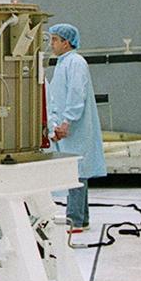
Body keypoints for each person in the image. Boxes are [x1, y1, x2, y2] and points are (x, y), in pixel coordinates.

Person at [46, 23, 105, 231]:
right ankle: (81, 217)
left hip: (74, 126)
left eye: (54, 40)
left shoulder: (75, 63)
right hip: (68, 125)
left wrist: (66, 121)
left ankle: (75, 219)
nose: (51, 44)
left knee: (75, 171)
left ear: (66, 41)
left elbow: (76, 94)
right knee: (76, 170)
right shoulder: (64, 63)